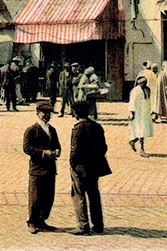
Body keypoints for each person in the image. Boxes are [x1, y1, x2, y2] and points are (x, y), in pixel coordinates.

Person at [69, 100, 112, 235]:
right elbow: (104, 147)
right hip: (94, 167)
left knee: (79, 195)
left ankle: (83, 226)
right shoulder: (97, 126)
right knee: (94, 195)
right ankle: (98, 225)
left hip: (81, 167)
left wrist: (72, 164)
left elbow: (74, 150)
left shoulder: (78, 128)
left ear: (76, 113)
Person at [22, 102, 61, 234]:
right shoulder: (31, 130)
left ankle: (42, 220)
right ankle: (32, 221)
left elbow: (57, 145)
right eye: (44, 113)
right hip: (37, 169)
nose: (47, 116)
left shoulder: (52, 130)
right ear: (37, 113)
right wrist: (43, 153)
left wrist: (57, 151)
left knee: (48, 197)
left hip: (50, 168)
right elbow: (27, 148)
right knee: (35, 197)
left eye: (49, 113)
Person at [127, 75, 155, 157]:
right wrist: (131, 113)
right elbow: (132, 102)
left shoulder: (147, 89)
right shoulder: (135, 91)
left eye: (145, 83)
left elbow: (149, 100)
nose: (144, 84)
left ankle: (133, 141)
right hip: (138, 113)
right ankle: (142, 150)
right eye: (143, 83)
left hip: (145, 112)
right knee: (141, 130)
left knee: (145, 130)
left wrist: (152, 110)